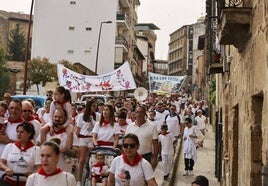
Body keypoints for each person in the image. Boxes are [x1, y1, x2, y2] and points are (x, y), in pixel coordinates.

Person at [0, 122, 40, 186]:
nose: (18, 134)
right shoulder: (9, 146)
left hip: (27, 183)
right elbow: (1, 162)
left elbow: (40, 168)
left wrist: (33, 173)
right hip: (8, 182)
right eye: (17, 131)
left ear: (29, 134)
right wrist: (6, 168)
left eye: (22, 132)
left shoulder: (36, 149)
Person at [40, 108, 75, 173]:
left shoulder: (70, 132)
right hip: (47, 173)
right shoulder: (46, 131)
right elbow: (38, 148)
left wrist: (64, 151)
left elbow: (77, 154)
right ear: (52, 117)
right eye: (55, 116)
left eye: (60, 117)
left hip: (64, 173)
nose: (57, 119)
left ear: (65, 118)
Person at [125, 105, 159, 170]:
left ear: (145, 113)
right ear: (135, 113)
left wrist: (154, 158)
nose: (139, 114)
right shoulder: (130, 126)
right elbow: (126, 143)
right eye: (137, 112)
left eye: (141, 112)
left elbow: (155, 144)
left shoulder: (152, 126)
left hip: (146, 157)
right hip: (132, 156)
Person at [76, 100, 97, 186]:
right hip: (82, 138)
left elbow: (97, 128)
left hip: (91, 138)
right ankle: (79, 180)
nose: (94, 108)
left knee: (90, 160)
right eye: (92, 106)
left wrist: (92, 120)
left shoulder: (96, 116)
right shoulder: (81, 116)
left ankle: (90, 179)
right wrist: (76, 143)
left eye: (95, 106)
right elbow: (78, 130)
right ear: (88, 106)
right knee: (82, 160)